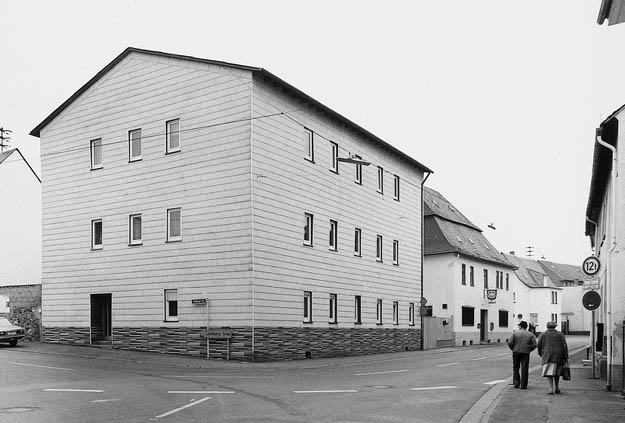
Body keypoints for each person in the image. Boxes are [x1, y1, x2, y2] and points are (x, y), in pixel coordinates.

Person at [537, 321, 569, 395]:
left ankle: (551, 388)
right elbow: (564, 345)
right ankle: (557, 387)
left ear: (547, 326)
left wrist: (541, 353)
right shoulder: (560, 334)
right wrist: (565, 355)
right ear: (555, 326)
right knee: (557, 373)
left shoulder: (543, 334)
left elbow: (538, 345)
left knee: (549, 373)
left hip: (547, 356)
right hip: (558, 356)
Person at [507, 320, 537, 389]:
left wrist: (513, 349)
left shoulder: (515, 333)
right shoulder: (530, 334)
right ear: (526, 327)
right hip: (525, 352)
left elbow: (510, 342)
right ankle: (523, 385)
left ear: (520, 326)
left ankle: (516, 383)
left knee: (516, 367)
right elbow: (534, 345)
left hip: (516, 352)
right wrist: (529, 350)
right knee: (524, 368)